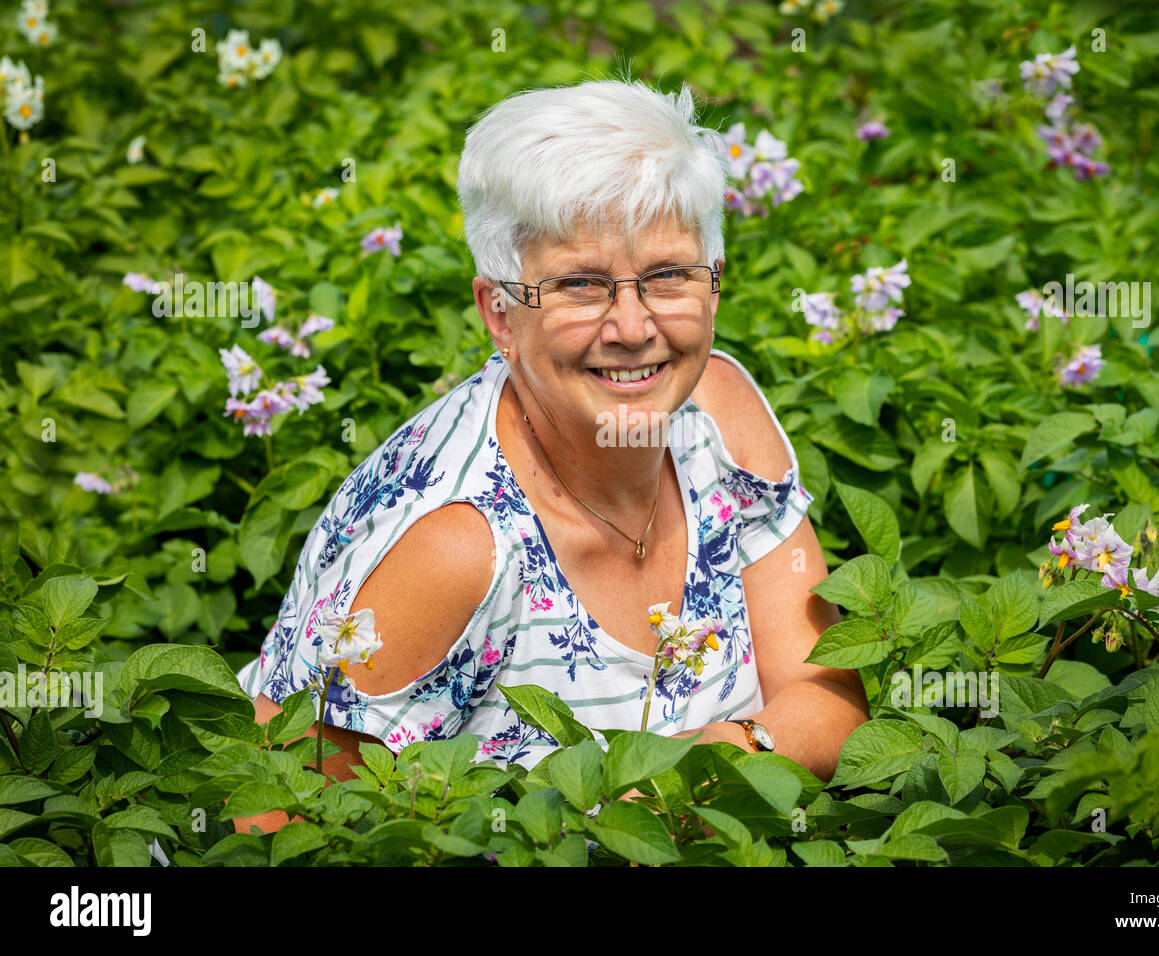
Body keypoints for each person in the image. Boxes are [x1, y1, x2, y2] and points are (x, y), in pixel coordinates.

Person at [235, 77, 869, 834]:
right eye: (580, 285)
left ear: (715, 283)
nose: (633, 327)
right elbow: (278, 825)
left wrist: (701, 766)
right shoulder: (455, 544)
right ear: (498, 313)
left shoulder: (720, 416)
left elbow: (829, 702)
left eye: (668, 275)